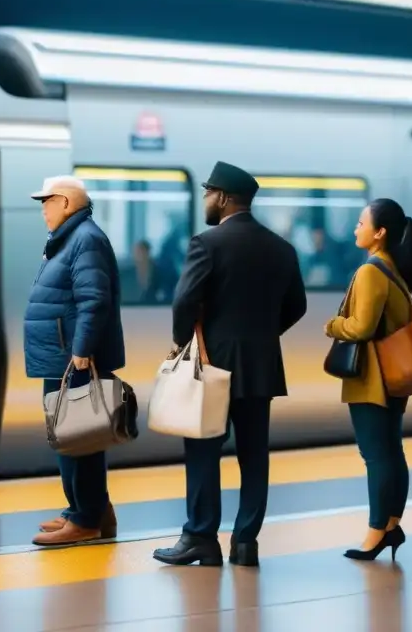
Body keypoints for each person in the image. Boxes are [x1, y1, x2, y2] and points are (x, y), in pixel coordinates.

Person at [152, 161, 307, 568]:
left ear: (222, 197)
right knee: (254, 456)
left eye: (208, 193)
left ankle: (201, 537)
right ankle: (245, 541)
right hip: (261, 368)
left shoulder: (207, 244)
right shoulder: (282, 248)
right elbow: (298, 306)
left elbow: (185, 300)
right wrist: (260, 337)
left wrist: (183, 340)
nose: (205, 200)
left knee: (203, 450)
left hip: (212, 367)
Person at [324, 198, 412, 561]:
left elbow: (361, 327)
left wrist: (333, 325)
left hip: (372, 378)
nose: (356, 229)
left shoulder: (371, 271)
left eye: (360, 223)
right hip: (393, 376)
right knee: (391, 450)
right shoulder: (392, 269)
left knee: (376, 456)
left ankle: (375, 531)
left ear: (379, 233)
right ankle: (391, 525)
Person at [24, 175, 125, 547]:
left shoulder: (85, 240)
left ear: (66, 202)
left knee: (77, 439)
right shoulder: (70, 240)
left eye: (46, 201)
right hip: (61, 356)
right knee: (72, 437)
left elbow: (93, 299)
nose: (43, 210)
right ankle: (87, 508)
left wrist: (80, 351)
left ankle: (86, 519)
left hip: (73, 359)